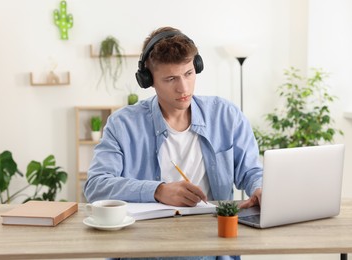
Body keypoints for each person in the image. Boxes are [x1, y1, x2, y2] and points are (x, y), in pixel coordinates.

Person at [84, 26, 263, 260]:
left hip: (213, 249)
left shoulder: (226, 115)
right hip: (143, 250)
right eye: (171, 79)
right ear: (148, 80)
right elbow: (96, 186)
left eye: (189, 73)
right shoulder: (122, 124)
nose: (184, 88)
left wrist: (260, 188)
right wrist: (157, 191)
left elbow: (251, 171)